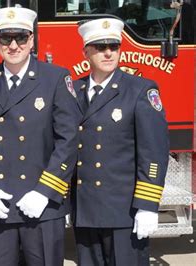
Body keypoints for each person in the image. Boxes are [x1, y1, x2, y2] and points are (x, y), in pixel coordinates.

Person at [0, 7, 81, 266]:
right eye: (5, 38)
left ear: (32, 40)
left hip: (42, 205)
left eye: (21, 38)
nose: (13, 45)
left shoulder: (56, 78)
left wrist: (45, 191)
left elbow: (68, 141)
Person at [72, 18, 169, 265]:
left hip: (124, 212)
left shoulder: (140, 90)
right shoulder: (73, 90)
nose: (108, 52)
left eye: (113, 46)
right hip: (86, 211)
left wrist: (148, 205)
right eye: (100, 46)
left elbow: (154, 152)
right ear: (86, 52)